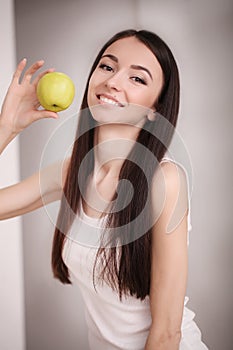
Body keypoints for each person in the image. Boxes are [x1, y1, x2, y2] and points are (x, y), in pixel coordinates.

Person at [0, 29, 208, 350]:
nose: (112, 82)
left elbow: (167, 333)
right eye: (107, 67)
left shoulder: (164, 180)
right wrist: (7, 127)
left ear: (155, 109)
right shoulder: (72, 171)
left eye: (137, 79)